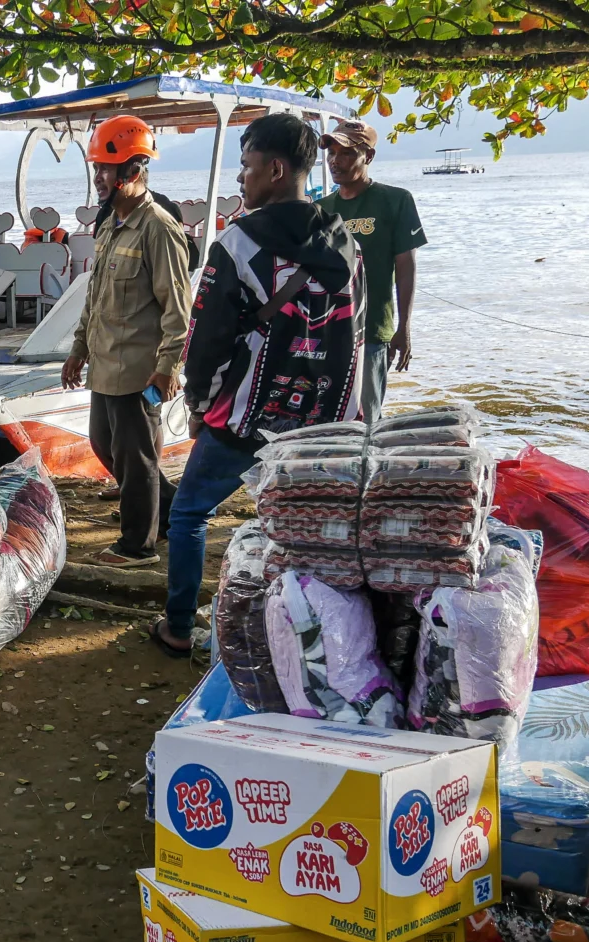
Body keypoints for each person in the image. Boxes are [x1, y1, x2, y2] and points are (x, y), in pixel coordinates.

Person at [153, 113, 365, 657]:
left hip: (249, 410)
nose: (241, 179)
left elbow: (207, 335)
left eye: (246, 167)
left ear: (275, 169)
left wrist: (200, 403)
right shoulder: (344, 242)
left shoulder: (239, 242)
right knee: (301, 523)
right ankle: (305, 631)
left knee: (189, 513)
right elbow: (355, 332)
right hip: (323, 416)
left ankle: (179, 625)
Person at [62, 115, 193, 569]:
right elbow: (94, 299)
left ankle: (137, 546)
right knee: (105, 446)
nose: (98, 178)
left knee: (136, 461)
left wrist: (168, 367)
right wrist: (78, 349)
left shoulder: (158, 227)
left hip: (140, 370)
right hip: (105, 364)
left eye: (105, 169)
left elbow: (179, 308)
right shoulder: (109, 226)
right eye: (96, 168)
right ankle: (173, 512)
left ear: (133, 172)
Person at [317, 119, 426, 424]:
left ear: (369, 156)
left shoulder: (395, 200)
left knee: (365, 418)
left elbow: (406, 266)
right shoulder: (321, 209)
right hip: (325, 332)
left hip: (372, 331)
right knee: (326, 419)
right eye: (331, 154)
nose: (335, 161)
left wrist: (403, 328)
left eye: (347, 154)